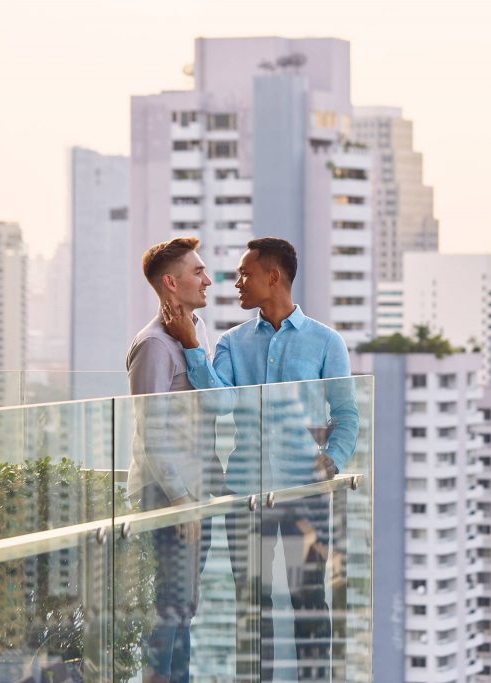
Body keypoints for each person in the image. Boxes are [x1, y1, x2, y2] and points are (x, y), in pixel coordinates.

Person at [162, 236, 358, 683]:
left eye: (245, 274)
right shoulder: (231, 343)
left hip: (304, 496)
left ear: (274, 277)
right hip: (245, 496)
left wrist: (332, 460)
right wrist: (193, 345)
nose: (236, 283)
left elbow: (346, 414)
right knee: (253, 605)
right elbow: (220, 403)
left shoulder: (326, 342)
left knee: (308, 600)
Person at [126, 237, 222, 683]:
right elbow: (152, 431)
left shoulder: (195, 332)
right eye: (197, 271)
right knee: (169, 608)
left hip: (194, 491)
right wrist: (181, 498)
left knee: (185, 606)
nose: (208, 279)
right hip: (167, 496)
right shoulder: (153, 346)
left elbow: (219, 403)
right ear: (171, 282)